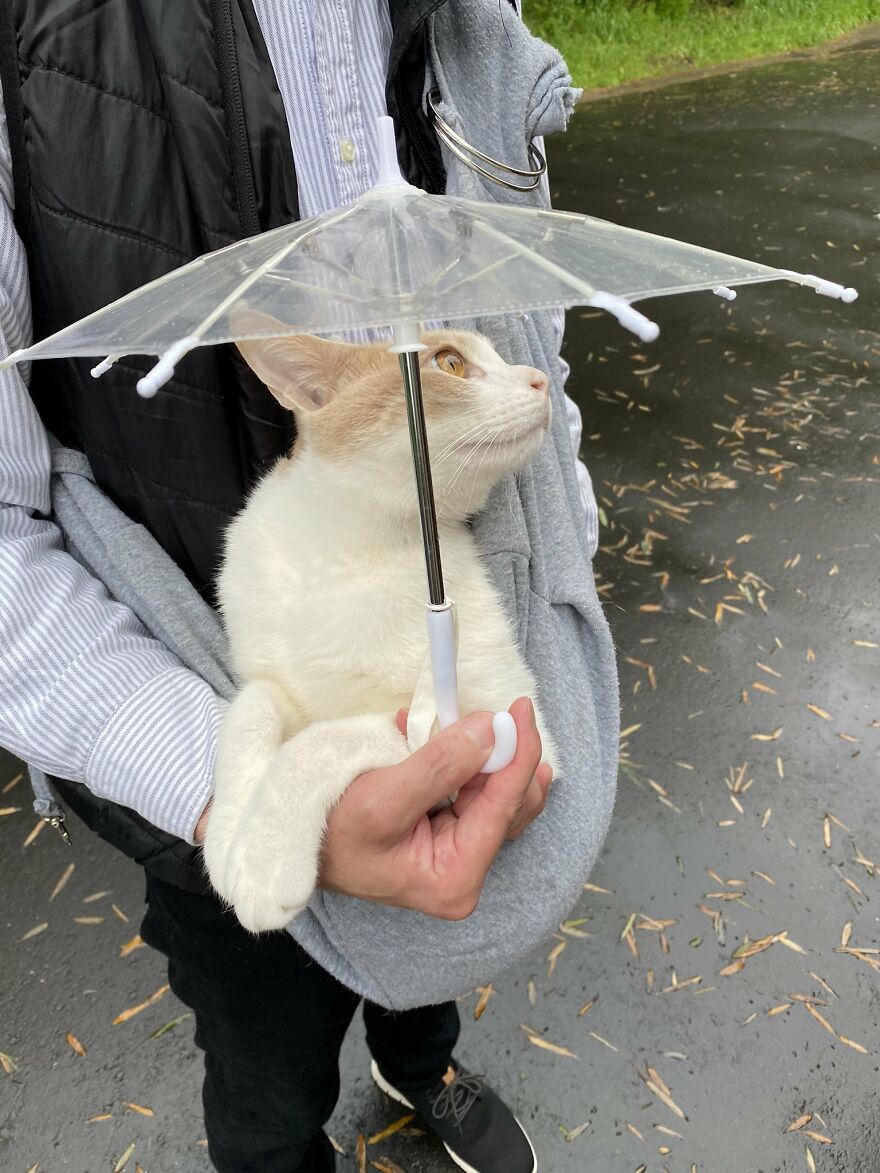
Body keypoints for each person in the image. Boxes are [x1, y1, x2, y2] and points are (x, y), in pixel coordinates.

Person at [0, 3, 617, 1171]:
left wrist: (565, 548)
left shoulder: (474, 14)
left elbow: (533, 326)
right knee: (262, 1059)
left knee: (436, 946)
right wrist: (227, 784)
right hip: (209, 726)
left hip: (462, 674)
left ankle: (416, 1062)